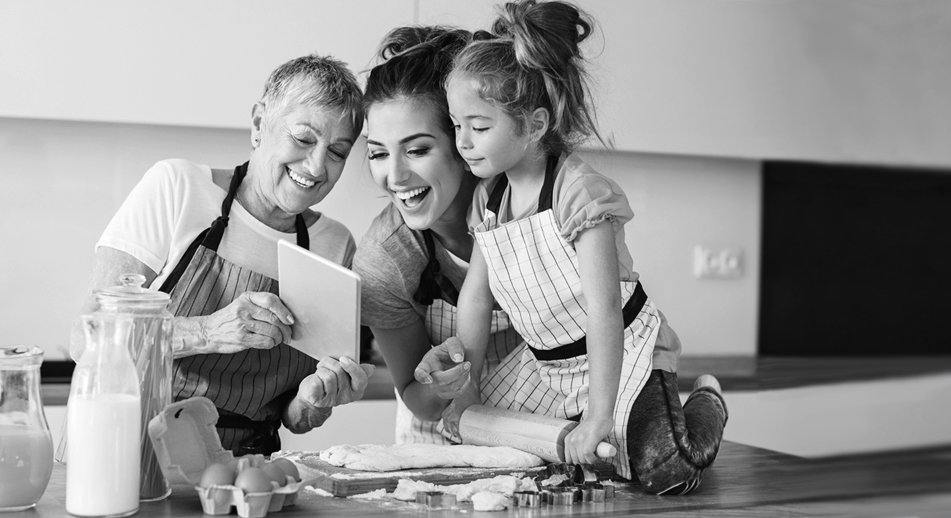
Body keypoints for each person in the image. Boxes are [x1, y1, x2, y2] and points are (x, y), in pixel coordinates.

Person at [416, 0, 728, 495]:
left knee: (667, 472)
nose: (463, 143)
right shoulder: (487, 200)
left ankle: (705, 402)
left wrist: (600, 417)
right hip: (546, 365)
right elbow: (476, 297)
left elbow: (603, 310)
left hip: (622, 351)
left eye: (479, 127)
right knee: (489, 452)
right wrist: (469, 383)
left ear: (535, 126)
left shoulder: (579, 193)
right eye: (457, 125)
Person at [70, 54, 374, 456]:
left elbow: (293, 417)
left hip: (243, 473)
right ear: (259, 124)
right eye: (303, 139)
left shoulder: (335, 245)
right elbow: (88, 336)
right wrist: (210, 331)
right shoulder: (177, 188)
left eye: (337, 152)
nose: (317, 166)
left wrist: (315, 400)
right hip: (128, 449)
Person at [352, 26, 524, 444]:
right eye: (377, 153)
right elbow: (418, 399)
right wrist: (442, 382)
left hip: (539, 417)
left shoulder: (529, 212)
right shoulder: (385, 259)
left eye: (417, 150)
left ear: (464, 142)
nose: (394, 177)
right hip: (437, 437)